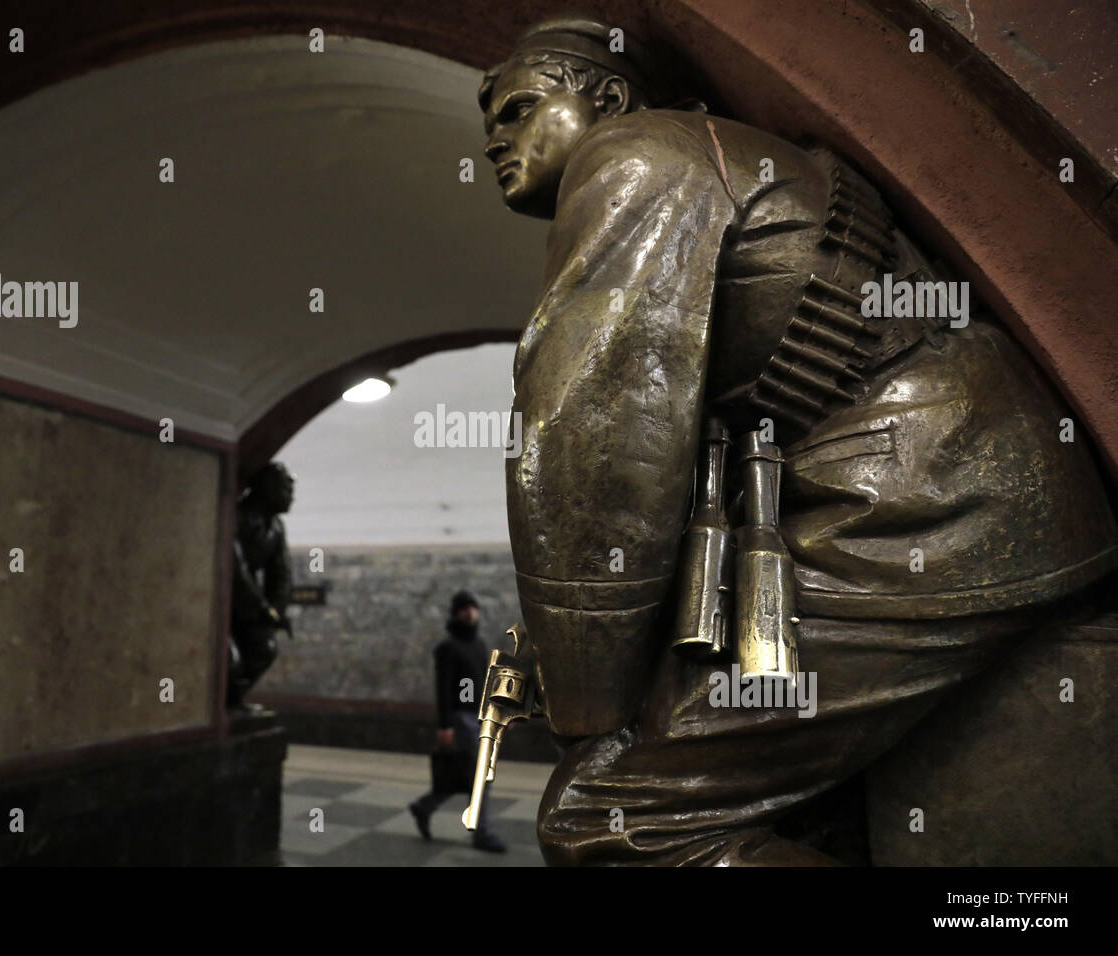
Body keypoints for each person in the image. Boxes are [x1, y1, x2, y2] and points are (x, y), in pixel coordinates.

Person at [478, 17, 1118, 864]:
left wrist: (587, 701)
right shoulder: (719, 149)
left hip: (926, 514)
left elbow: (595, 431)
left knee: (607, 820)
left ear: (610, 97)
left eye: (519, 108)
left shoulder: (633, 153)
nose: (495, 139)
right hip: (948, 487)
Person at [408, 590, 507, 853]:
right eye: (464, 608)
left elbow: (486, 682)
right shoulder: (448, 648)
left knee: (466, 773)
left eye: (473, 607)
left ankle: (425, 806)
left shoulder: (479, 645)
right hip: (461, 718)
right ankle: (482, 833)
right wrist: (445, 726)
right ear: (456, 613)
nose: (470, 612)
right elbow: (443, 688)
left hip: (479, 717)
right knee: (481, 775)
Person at [227, 461, 295, 709]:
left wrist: (276, 610)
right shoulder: (235, 516)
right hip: (220, 597)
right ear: (267, 488)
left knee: (264, 648)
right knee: (230, 661)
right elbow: (235, 567)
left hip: (248, 603)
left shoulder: (276, 527)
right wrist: (262, 608)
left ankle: (231, 702)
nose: (291, 497)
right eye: (285, 489)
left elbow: (282, 572)